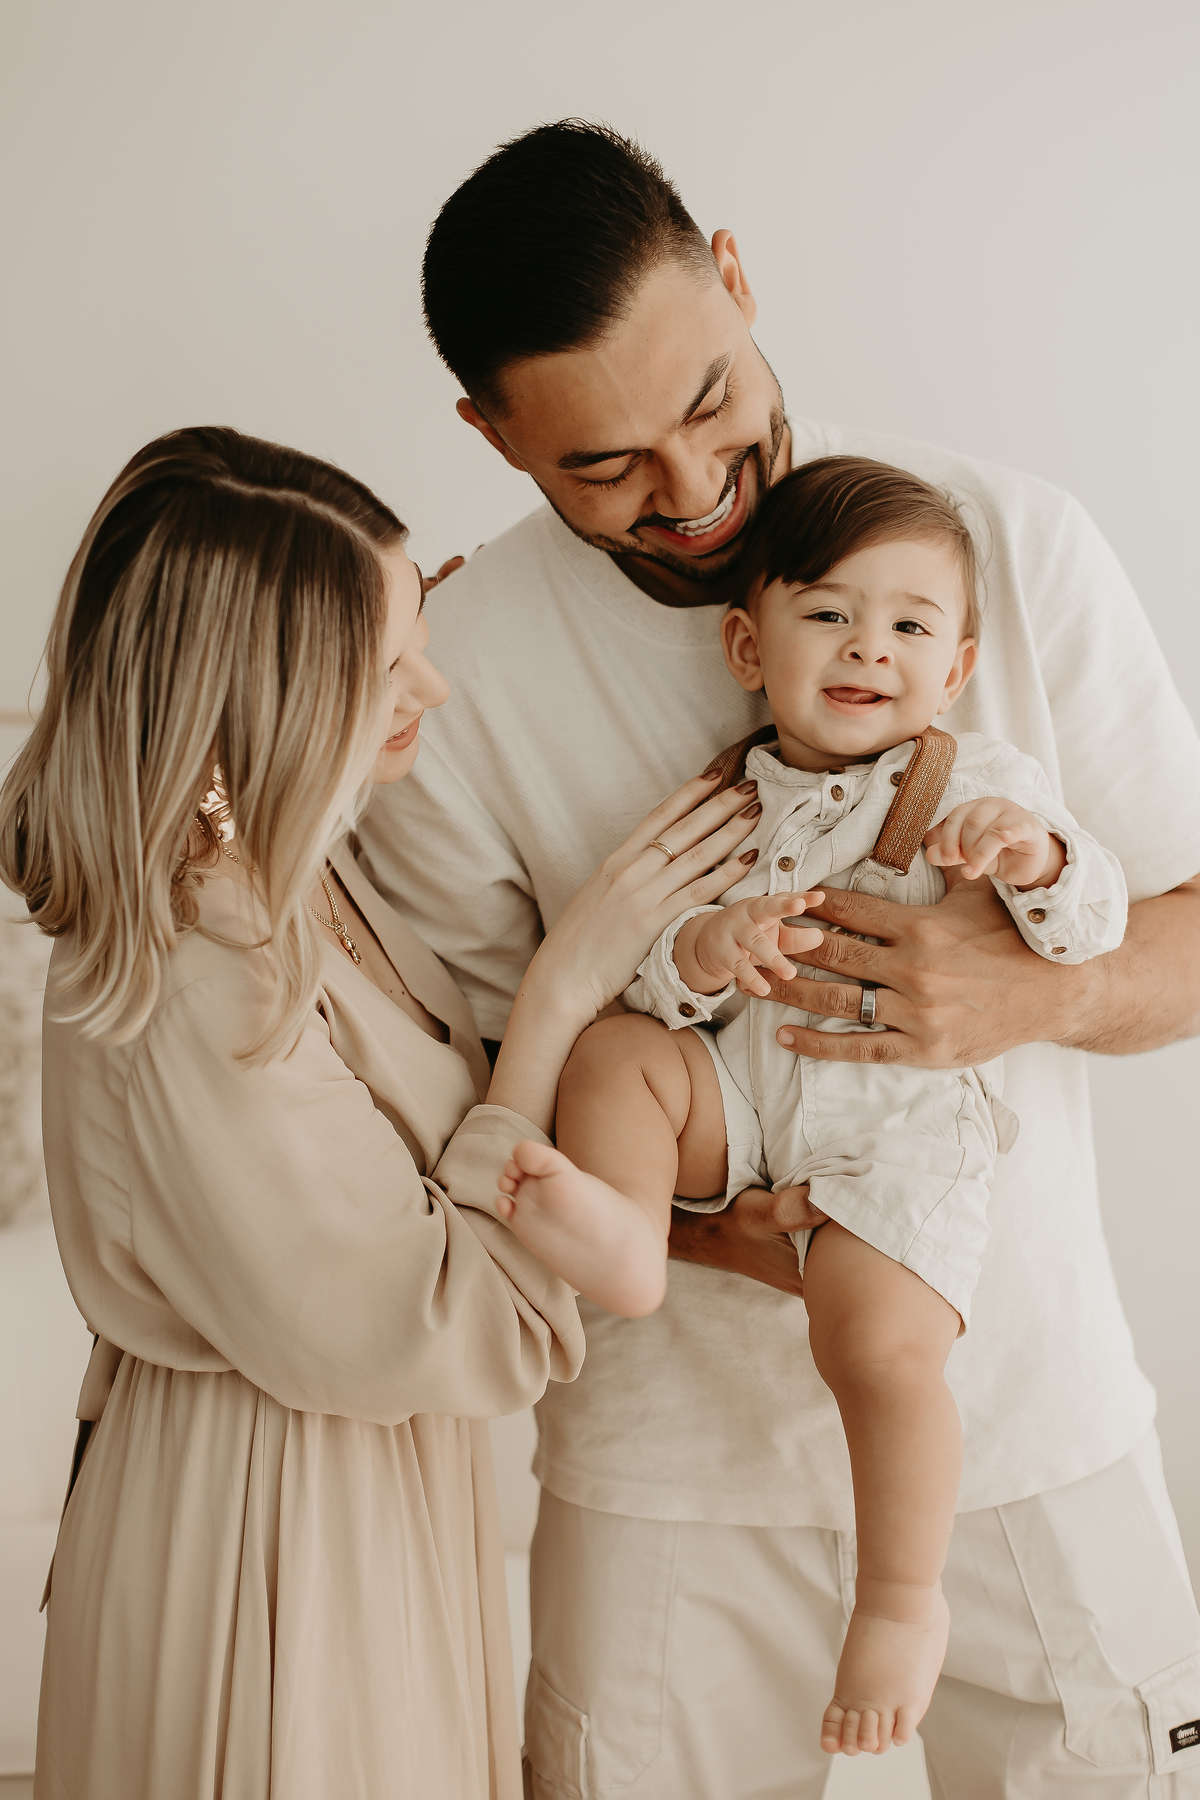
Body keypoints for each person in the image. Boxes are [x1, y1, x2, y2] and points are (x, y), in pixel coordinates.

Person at [359, 122, 1200, 1797]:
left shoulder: (1002, 543)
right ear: (491, 435)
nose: (691, 491)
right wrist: (714, 1230)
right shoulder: (456, 673)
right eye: (605, 465)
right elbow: (479, 1094)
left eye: (710, 401)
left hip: (1020, 1417)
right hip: (666, 1473)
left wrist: (1036, 991)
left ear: (736, 279)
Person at [0, 424, 763, 1800]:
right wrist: (565, 986)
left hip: (356, 1494)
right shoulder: (202, 966)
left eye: (422, 630)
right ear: (261, 694)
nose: (436, 685)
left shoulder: (290, 876)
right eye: (386, 664)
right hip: (271, 1533)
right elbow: (446, 1319)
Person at [496, 453, 1129, 1757]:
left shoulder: (975, 781)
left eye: (909, 627)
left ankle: (902, 1602)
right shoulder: (721, 801)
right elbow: (651, 974)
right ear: (749, 645)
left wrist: (1037, 857)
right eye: (828, 614)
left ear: (955, 668)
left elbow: (1093, 927)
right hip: (743, 1097)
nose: (867, 649)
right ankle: (625, 1233)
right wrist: (702, 952)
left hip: (896, 1135)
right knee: (615, 1054)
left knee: (880, 1355)